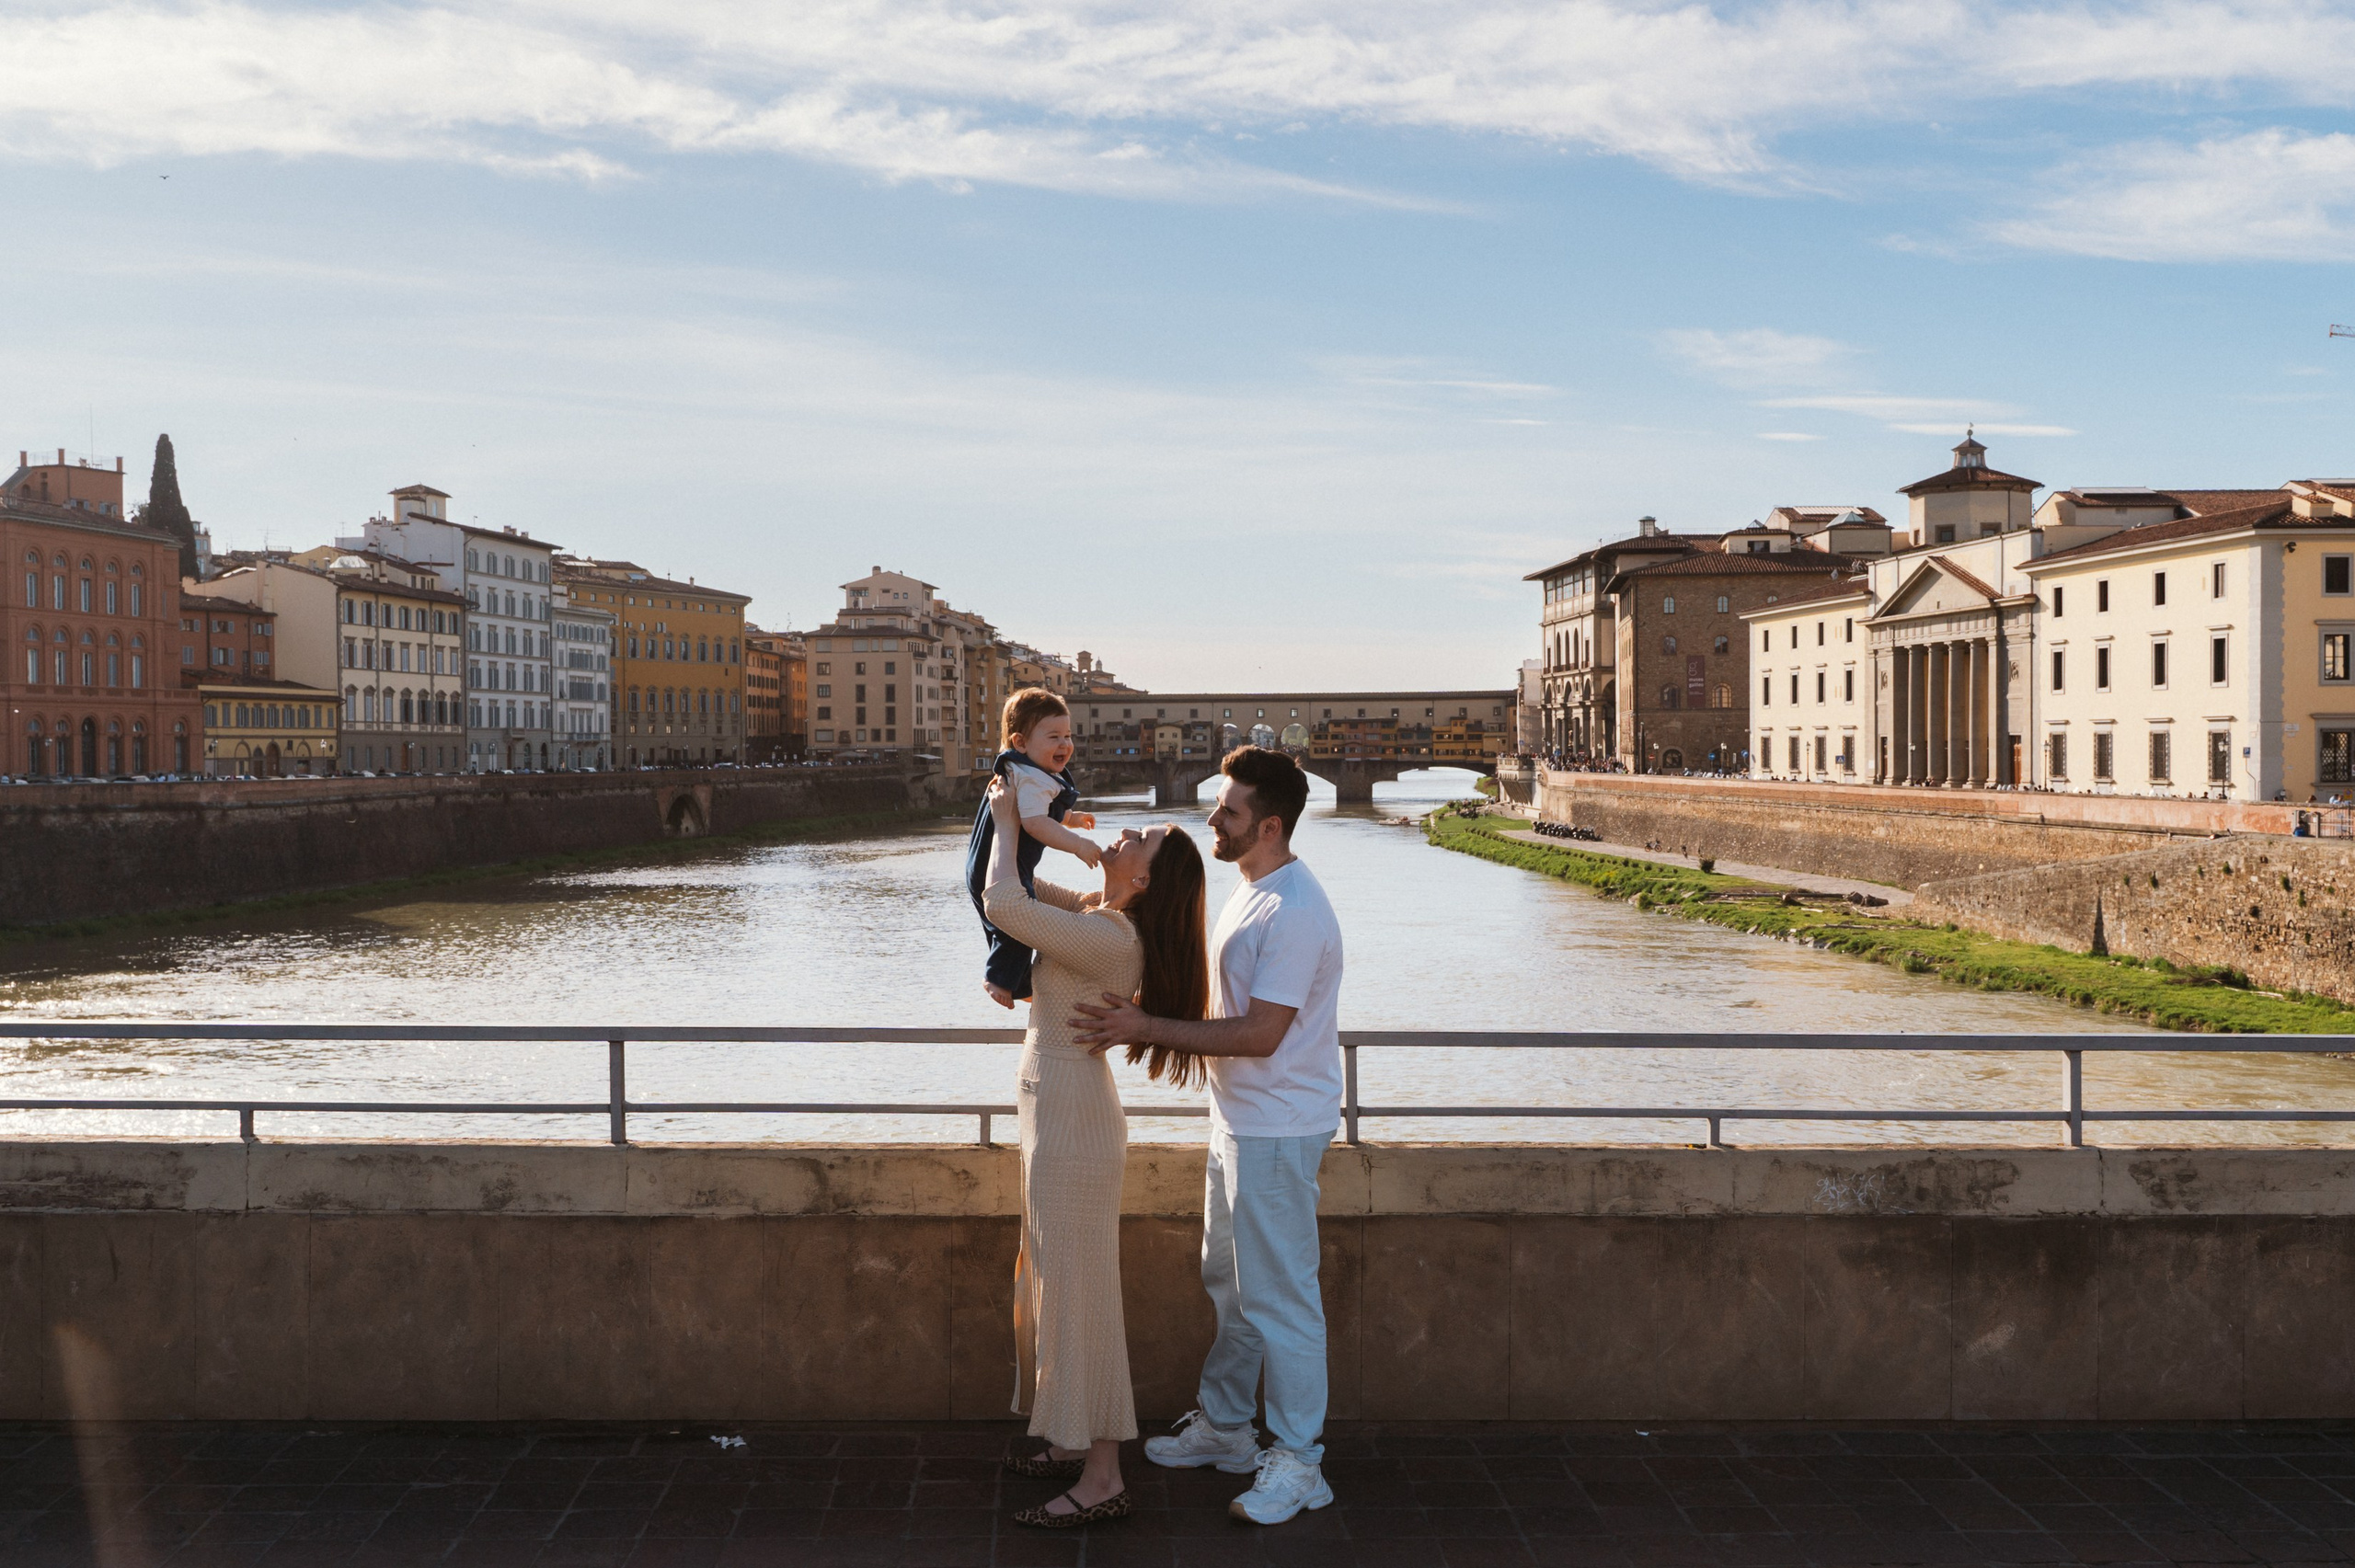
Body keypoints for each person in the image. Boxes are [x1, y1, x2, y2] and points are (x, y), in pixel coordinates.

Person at [1071, 746, 1344, 1527]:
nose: (1211, 819)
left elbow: (1260, 1034)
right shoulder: (1250, 890)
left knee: (1282, 1297)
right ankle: (1228, 1426)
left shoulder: (1294, 911)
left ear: (1270, 824)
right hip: (1239, 1120)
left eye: (1226, 811)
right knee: (1229, 1282)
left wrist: (1143, 1025)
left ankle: (1299, 1460)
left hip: (1279, 1126)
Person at [979, 776, 1209, 1530]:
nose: (1124, 834)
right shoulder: (1095, 915)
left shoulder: (1113, 938)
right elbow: (1006, 877)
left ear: (1143, 877)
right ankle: (1071, 1439)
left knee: (1082, 1296)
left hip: (1073, 1123)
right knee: (1057, 1283)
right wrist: (1019, 815)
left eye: (1139, 841)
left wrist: (1015, 818)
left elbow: (1004, 906)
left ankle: (1103, 1473)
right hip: (1060, 1112)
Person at [966, 690, 1103, 1009]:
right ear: (1021, 743)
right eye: (1053, 736)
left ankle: (1018, 985)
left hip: (985, 863)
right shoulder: (1031, 778)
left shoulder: (1027, 772)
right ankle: (998, 979)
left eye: (1067, 736)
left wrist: (1070, 818)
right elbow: (1035, 824)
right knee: (1018, 928)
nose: (1064, 744)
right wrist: (1078, 846)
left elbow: (1042, 812)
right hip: (1003, 865)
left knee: (1003, 930)